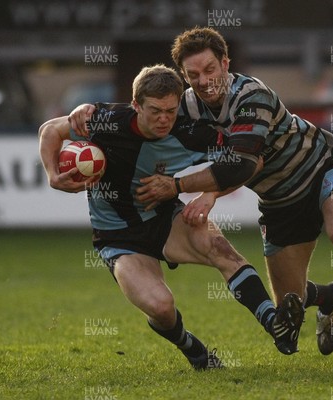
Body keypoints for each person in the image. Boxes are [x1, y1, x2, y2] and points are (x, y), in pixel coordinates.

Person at [129, 28, 333, 367]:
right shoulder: (185, 106)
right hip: (278, 201)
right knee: (291, 303)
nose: (204, 81)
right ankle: (330, 296)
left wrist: (185, 188)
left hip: (322, 169)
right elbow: (143, 123)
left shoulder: (251, 95)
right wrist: (84, 126)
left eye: (210, 70)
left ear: (225, 64)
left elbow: (243, 164)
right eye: (194, 75)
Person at [39, 65, 304, 371]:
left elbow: (251, 162)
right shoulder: (106, 120)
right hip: (117, 237)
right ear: (136, 105)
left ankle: (275, 325)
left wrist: (210, 195)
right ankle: (193, 350)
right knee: (161, 307)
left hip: (167, 218)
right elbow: (50, 130)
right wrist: (52, 174)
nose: (164, 118)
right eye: (155, 111)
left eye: (170, 109)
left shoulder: (192, 134)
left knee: (223, 252)